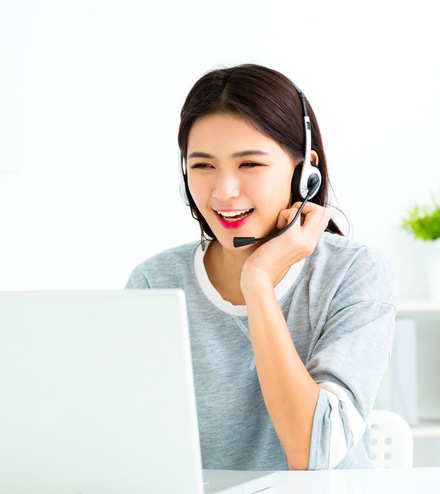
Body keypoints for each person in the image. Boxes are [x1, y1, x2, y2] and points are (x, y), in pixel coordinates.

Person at [125, 64, 396, 471]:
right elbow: (134, 445)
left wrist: (258, 283)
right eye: (202, 166)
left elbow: (311, 454)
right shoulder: (154, 283)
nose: (223, 191)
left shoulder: (354, 273)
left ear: (305, 172)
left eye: (249, 164)